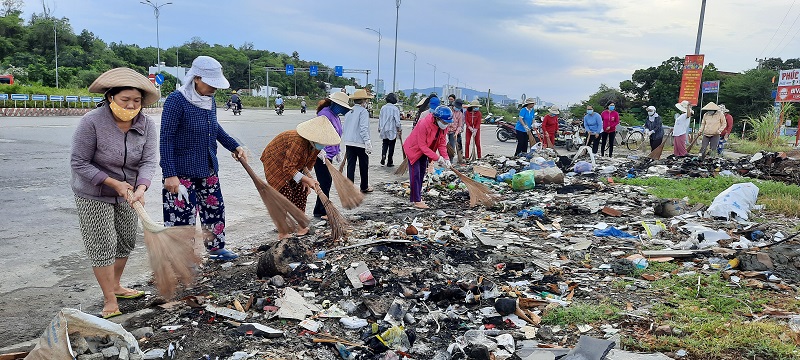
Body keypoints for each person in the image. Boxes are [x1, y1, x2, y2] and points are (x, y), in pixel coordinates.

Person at [71, 67, 160, 318]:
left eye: (137, 101)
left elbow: (149, 161)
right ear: (111, 97)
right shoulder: (92, 122)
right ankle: (109, 299)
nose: (131, 106)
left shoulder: (146, 124)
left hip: (129, 192)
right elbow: (79, 163)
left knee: (125, 240)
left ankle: (116, 285)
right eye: (125, 100)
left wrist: (141, 187)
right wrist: (113, 182)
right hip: (93, 192)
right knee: (102, 244)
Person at [160, 55, 246, 262]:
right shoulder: (176, 100)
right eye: (211, 83)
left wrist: (234, 145)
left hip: (207, 167)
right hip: (181, 172)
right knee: (181, 217)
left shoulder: (210, 100)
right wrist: (169, 174)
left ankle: (216, 248)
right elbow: (166, 139)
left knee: (214, 208)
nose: (215, 88)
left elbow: (214, 128)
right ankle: (182, 259)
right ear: (196, 78)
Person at [261, 116, 341, 239]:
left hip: (292, 165)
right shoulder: (297, 141)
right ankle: (282, 232)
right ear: (313, 137)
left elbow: (307, 165)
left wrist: (306, 179)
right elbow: (288, 168)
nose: (323, 144)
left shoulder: (315, 146)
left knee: (302, 191)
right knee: (284, 194)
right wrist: (306, 179)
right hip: (276, 162)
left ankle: (301, 226)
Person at [403, 105, 453, 209]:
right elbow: (422, 146)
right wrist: (438, 158)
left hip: (426, 151)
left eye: (447, 123)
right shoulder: (424, 123)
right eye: (444, 122)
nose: (445, 125)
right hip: (414, 149)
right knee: (415, 174)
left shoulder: (443, 127)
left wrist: (446, 158)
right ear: (437, 118)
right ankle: (416, 200)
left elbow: (442, 143)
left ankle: (417, 197)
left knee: (421, 174)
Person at [312, 92, 351, 219]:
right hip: (321, 154)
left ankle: (318, 209)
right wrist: (320, 150)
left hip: (330, 154)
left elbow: (336, 135)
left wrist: (337, 150)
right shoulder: (324, 114)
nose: (344, 110)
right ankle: (323, 211)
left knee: (326, 181)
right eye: (343, 107)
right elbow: (318, 134)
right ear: (335, 104)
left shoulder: (335, 116)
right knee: (325, 181)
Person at [342, 89, 374, 193]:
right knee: (363, 165)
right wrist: (367, 141)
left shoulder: (349, 111)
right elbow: (363, 128)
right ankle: (364, 186)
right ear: (364, 101)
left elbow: (345, 127)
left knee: (350, 165)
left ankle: (349, 188)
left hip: (349, 141)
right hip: (360, 143)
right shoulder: (363, 112)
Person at [379, 92, 402, 167]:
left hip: (384, 129)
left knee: (384, 144)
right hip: (392, 129)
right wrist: (399, 129)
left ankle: (383, 155)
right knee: (391, 145)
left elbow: (380, 118)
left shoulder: (383, 108)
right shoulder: (395, 109)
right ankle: (389, 161)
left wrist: (379, 128)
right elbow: (397, 121)